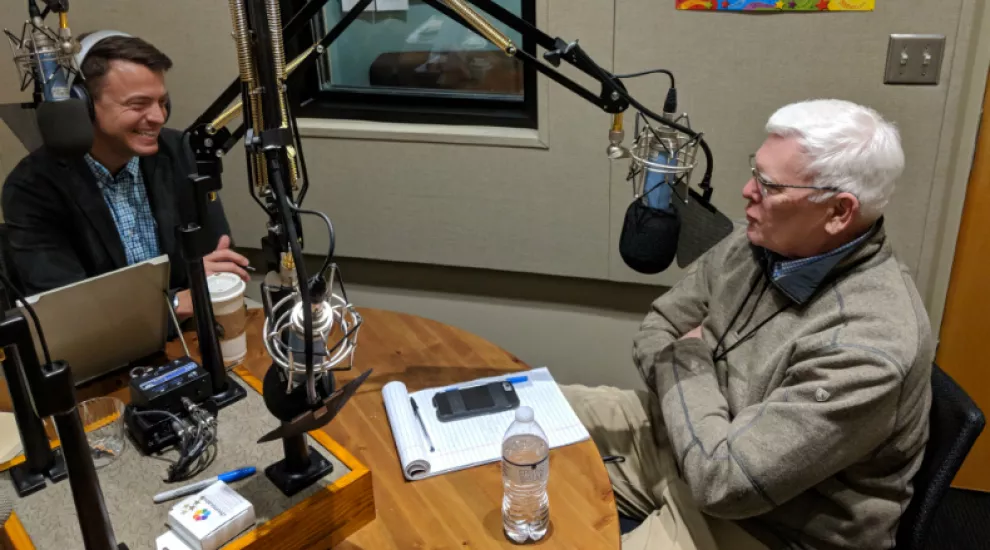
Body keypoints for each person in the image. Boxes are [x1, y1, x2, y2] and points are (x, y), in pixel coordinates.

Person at [564, 99, 932, 550]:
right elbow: (659, 326)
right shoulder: (755, 240)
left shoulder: (869, 344)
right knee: (513, 416)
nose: (746, 191)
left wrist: (688, 352)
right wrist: (705, 424)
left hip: (767, 527)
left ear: (838, 212)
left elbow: (724, 483)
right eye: (754, 172)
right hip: (677, 444)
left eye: (769, 185)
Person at [1, 31, 248, 320]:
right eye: (138, 104)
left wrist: (195, 290)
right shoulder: (33, 188)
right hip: (102, 353)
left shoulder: (178, 151)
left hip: (194, 331)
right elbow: (70, 311)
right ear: (82, 106)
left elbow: (217, 260)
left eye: (162, 102)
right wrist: (174, 304)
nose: (158, 117)